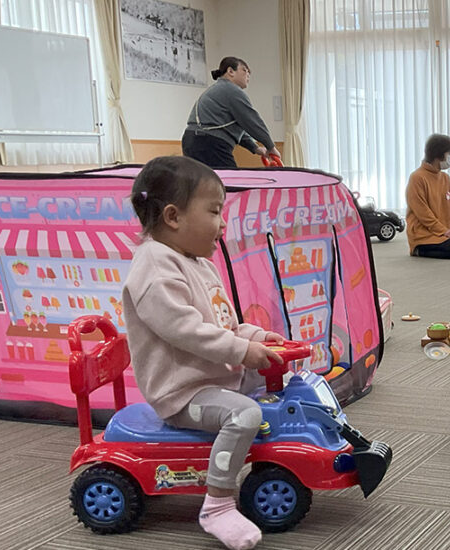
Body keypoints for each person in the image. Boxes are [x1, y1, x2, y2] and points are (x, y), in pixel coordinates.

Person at [123, 156, 287, 549]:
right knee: (245, 414)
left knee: (285, 382)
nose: (223, 223)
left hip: (213, 376)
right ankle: (218, 504)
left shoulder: (196, 262)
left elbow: (222, 325)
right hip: (183, 392)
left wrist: (257, 338)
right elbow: (188, 331)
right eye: (214, 211)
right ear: (173, 216)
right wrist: (242, 350)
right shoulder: (155, 268)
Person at [182, 56, 281, 169]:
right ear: (230, 71)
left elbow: (235, 127)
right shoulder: (231, 90)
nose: (248, 75)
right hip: (209, 143)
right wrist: (271, 147)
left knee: (201, 179)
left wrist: (255, 148)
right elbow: (252, 121)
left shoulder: (219, 89)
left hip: (193, 141)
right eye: (244, 70)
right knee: (229, 179)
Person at [405, 134, 450, 259]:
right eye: (449, 153)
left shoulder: (445, 178)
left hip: (444, 233)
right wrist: (443, 231)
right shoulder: (417, 178)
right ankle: (417, 249)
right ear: (438, 154)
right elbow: (423, 213)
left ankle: (448, 240)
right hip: (424, 235)